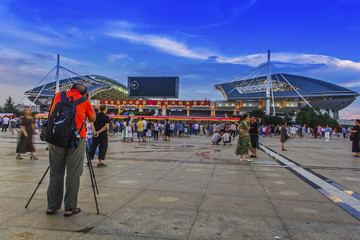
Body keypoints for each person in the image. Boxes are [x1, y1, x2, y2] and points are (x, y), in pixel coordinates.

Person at [46, 83, 95, 217]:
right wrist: (88, 101)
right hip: (77, 139)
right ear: (84, 93)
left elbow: (51, 114)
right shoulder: (84, 100)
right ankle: (70, 207)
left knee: (55, 172)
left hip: (57, 137)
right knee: (73, 173)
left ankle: (52, 206)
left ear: (71, 88)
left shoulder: (58, 96)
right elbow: (92, 118)